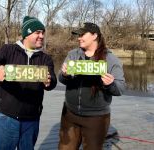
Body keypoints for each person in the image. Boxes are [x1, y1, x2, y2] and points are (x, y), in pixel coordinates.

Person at [0, 16, 57, 150]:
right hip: (7, 117)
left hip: (32, 118)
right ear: (27, 34)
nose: (41, 36)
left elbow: (53, 80)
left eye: (43, 32)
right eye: (37, 32)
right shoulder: (8, 50)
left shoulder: (45, 59)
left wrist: (49, 81)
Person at [58, 22, 125, 150]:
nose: (79, 38)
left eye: (82, 34)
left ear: (94, 35)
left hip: (96, 119)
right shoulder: (73, 54)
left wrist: (110, 84)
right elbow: (61, 78)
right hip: (70, 115)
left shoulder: (110, 59)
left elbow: (120, 88)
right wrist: (65, 75)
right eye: (78, 35)